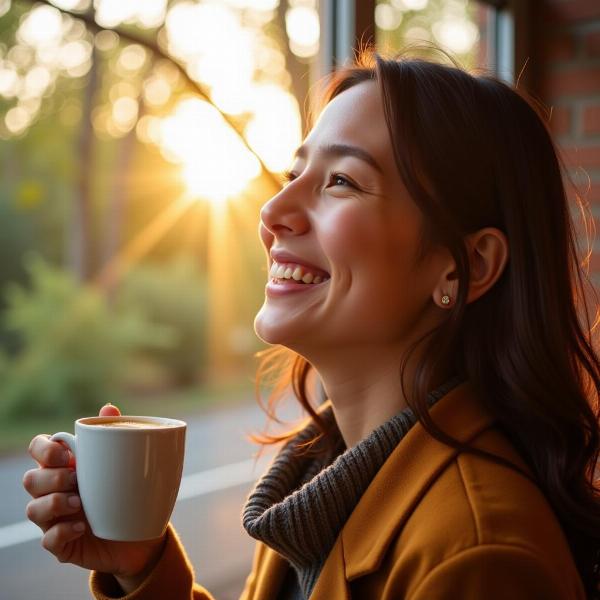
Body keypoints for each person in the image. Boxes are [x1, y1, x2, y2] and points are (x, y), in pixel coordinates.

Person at [22, 49, 600, 599]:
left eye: (342, 181)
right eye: (294, 173)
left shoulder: (480, 560)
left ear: (467, 266)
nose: (272, 213)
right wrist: (142, 567)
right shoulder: (320, 475)